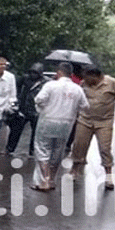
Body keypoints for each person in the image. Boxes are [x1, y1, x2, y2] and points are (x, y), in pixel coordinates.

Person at [68, 65, 115, 190]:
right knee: (79, 145)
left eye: (87, 78)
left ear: (95, 76)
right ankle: (75, 170)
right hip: (85, 120)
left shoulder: (112, 83)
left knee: (105, 148)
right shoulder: (83, 84)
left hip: (104, 122)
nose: (85, 80)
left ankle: (108, 177)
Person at [31, 62, 89, 192]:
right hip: (67, 123)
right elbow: (85, 106)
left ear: (58, 73)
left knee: (42, 149)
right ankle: (51, 180)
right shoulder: (77, 89)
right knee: (58, 151)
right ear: (71, 74)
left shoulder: (51, 85)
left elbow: (39, 99)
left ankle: (44, 180)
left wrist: (46, 106)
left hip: (48, 120)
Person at [5, 62, 49, 156]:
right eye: (32, 72)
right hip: (23, 109)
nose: (33, 74)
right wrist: (17, 97)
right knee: (15, 130)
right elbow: (16, 86)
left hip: (36, 111)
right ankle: (9, 149)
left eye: (35, 72)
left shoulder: (46, 82)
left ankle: (32, 151)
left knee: (36, 134)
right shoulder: (25, 78)